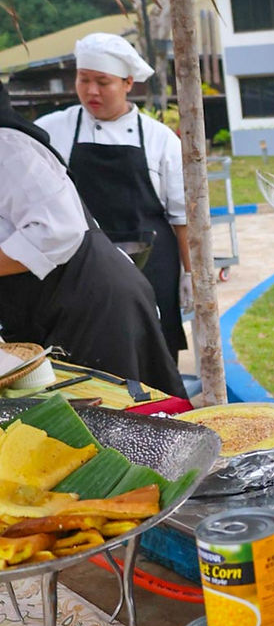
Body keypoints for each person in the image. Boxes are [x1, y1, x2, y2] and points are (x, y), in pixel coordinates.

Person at [0, 82, 187, 397]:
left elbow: (58, 231)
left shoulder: (7, 148)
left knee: (124, 420)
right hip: (45, 309)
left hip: (93, 305)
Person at [34, 32, 191, 362]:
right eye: (83, 79)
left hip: (150, 264)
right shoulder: (50, 130)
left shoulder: (160, 139)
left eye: (103, 82)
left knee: (153, 357)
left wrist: (191, 275)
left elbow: (182, 218)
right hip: (80, 266)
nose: (91, 91)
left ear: (128, 83)